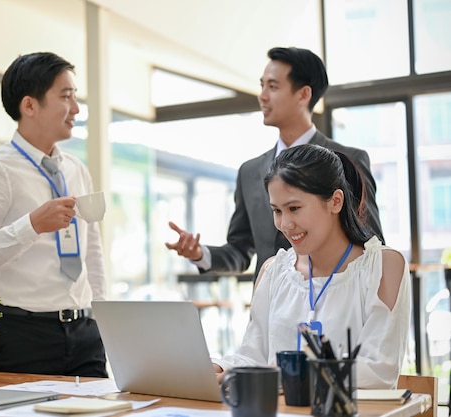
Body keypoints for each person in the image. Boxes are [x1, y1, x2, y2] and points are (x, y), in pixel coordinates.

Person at [0, 52, 107, 378]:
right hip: (21, 336)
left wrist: (105, 318)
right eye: (66, 97)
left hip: (85, 334)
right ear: (29, 106)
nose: (76, 108)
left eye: (76, 97)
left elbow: (92, 250)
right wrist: (31, 225)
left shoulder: (76, 169)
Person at [166, 47, 384, 279]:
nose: (262, 96)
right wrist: (200, 253)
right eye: (262, 86)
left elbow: (371, 245)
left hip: (331, 303)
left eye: (273, 86)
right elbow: (240, 251)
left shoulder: (348, 161)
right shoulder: (249, 172)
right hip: (269, 307)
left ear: (303, 95)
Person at [212, 144, 410, 389]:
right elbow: (254, 357)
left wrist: (290, 374)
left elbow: (379, 371)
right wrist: (222, 368)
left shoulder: (382, 267)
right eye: (277, 210)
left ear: (335, 201)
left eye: (294, 208)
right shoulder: (273, 271)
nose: (285, 224)